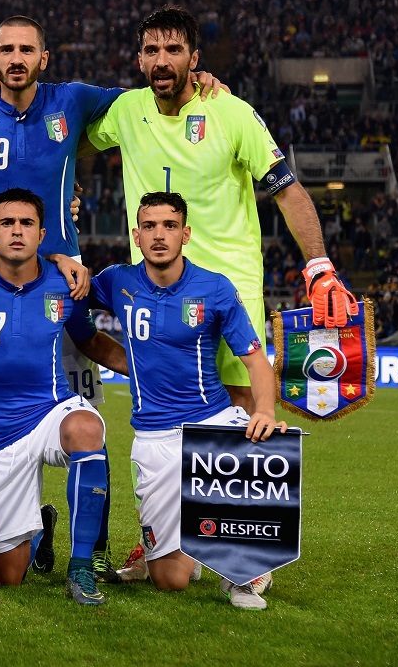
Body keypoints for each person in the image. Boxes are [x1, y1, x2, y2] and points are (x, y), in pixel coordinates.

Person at [80, 6, 353, 579]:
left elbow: (288, 191)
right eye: (152, 50)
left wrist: (319, 266)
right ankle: (162, 539)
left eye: (174, 50)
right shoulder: (127, 111)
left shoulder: (231, 112)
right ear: (139, 59)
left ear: (195, 58)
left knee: (242, 407)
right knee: (158, 412)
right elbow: (64, 134)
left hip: (227, 285)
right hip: (153, 288)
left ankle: (248, 553)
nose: (162, 61)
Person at [0, 16, 121, 581]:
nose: (16, 58)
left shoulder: (74, 100)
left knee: (85, 421)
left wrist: (201, 82)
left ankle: (97, 546)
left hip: (66, 282)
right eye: (6, 50)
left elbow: (142, 103)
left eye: (26, 50)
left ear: (45, 57)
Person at [0, 188, 129, 604]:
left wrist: (141, 369)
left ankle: (81, 566)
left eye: (27, 223)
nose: (17, 231)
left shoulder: (64, 282)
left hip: (52, 412)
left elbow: (90, 342)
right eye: (7, 223)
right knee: (7, 577)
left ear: (41, 234)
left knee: (87, 427)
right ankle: (39, 529)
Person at [89, 192, 288, 609]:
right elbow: (67, 298)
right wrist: (61, 259)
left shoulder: (214, 288)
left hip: (210, 421)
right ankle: (188, 546)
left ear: (186, 234)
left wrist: (266, 411)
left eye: (170, 225)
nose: (159, 235)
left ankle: (246, 571)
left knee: (264, 443)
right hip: (153, 436)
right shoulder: (116, 281)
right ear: (136, 236)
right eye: (149, 226)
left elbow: (255, 360)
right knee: (170, 581)